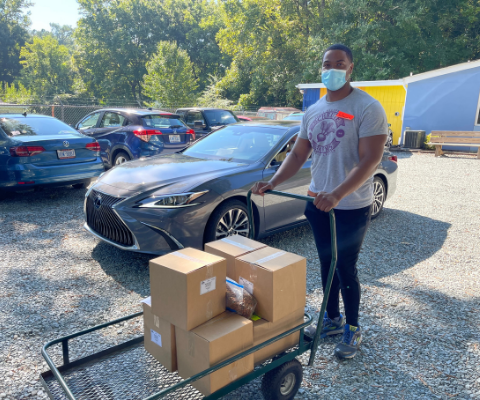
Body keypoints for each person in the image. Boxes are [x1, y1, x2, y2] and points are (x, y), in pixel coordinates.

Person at [251, 43, 387, 360]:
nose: (332, 69)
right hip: (317, 205)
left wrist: (338, 193)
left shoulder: (367, 107)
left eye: (340, 63)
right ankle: (332, 319)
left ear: (351, 67)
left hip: (350, 207)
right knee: (327, 265)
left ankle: (352, 328)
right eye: (327, 63)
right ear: (321, 68)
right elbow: (298, 153)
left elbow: (370, 159)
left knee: (345, 267)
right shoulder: (313, 111)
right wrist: (273, 181)